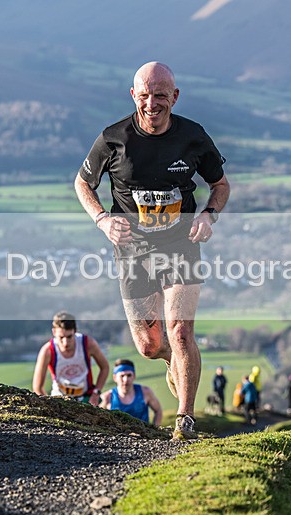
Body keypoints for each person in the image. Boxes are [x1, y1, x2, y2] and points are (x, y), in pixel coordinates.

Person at [74, 61, 230, 440]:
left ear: (174, 97)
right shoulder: (113, 139)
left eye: (160, 95)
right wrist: (102, 219)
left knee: (179, 332)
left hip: (181, 245)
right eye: (144, 94)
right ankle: (173, 362)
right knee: (150, 345)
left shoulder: (193, 137)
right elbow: (82, 183)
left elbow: (220, 185)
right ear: (133, 95)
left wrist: (209, 215)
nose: (152, 102)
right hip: (132, 251)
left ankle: (185, 420)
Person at [32, 311, 109, 404]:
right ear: (54, 332)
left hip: (86, 397)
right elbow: (37, 387)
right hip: (59, 399)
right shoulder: (48, 351)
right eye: (61, 337)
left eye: (69, 337)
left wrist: (96, 393)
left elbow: (105, 367)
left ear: (75, 331)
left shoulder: (88, 344)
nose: (65, 342)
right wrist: (49, 406)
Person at [100, 359, 162, 425]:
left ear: (134, 376)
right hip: (118, 435)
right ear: (115, 378)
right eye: (122, 376)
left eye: (129, 375)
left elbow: (158, 411)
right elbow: (98, 417)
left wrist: (155, 429)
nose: (126, 380)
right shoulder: (107, 397)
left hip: (143, 434)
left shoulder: (145, 392)